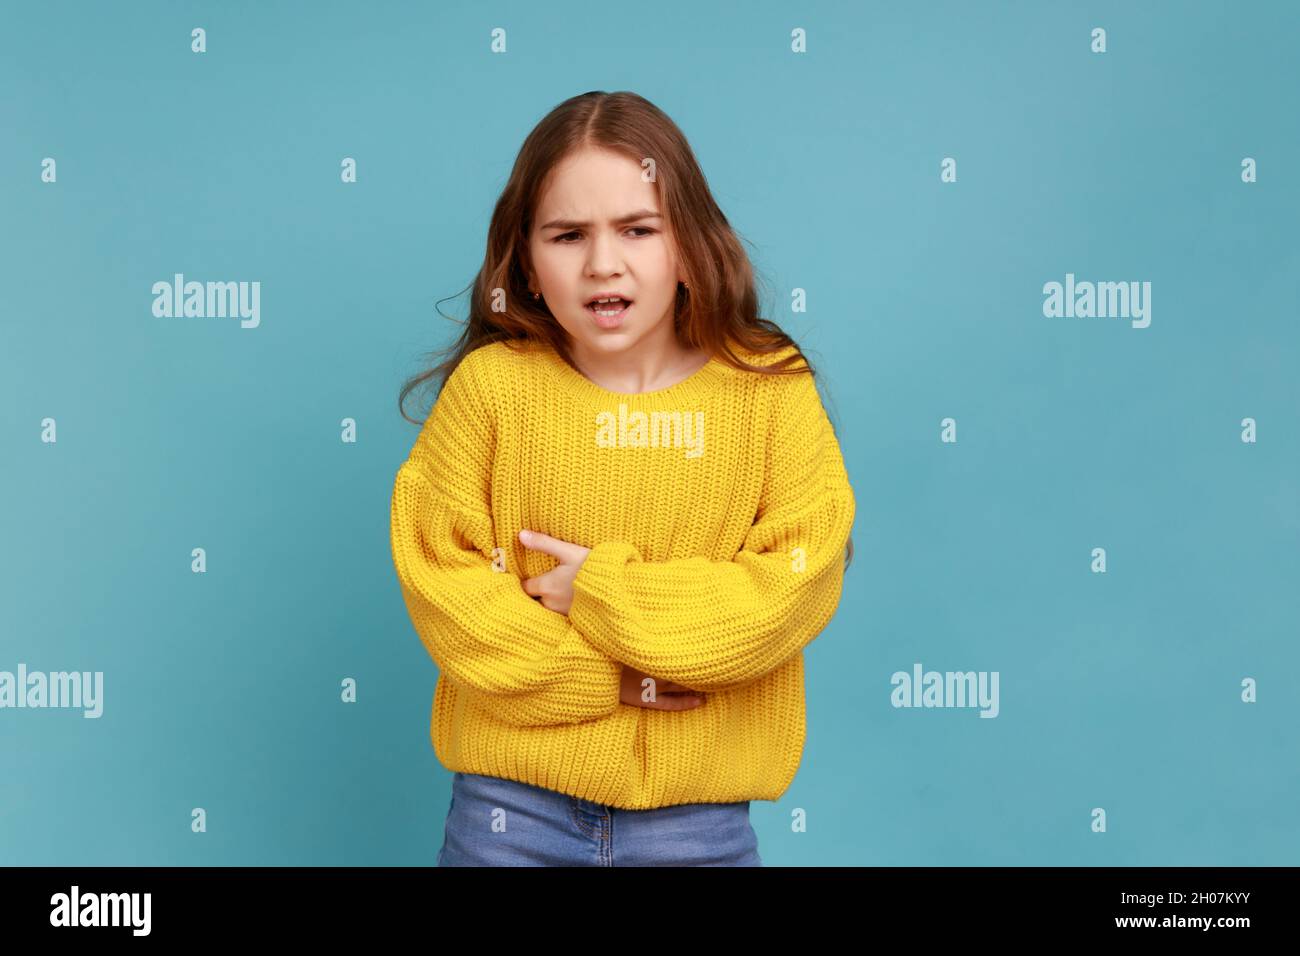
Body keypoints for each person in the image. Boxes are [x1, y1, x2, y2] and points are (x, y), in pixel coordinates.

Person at [390, 90, 856, 866]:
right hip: (509, 812)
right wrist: (614, 680)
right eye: (568, 235)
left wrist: (603, 592)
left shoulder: (769, 389)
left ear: (689, 247)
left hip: (696, 826)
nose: (603, 262)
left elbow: (789, 590)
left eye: (638, 229)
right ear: (527, 266)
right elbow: (442, 580)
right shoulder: (492, 391)